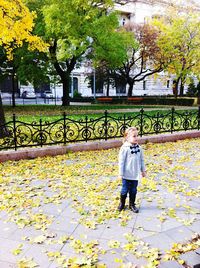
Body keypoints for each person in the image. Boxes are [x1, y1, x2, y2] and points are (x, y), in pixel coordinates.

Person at [118, 127, 146, 213]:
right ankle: (122, 203)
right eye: (134, 136)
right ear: (127, 137)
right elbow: (121, 162)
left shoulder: (139, 148)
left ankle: (132, 204)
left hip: (135, 175)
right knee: (124, 190)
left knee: (133, 190)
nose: (136, 138)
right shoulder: (124, 148)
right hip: (126, 175)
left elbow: (142, 160)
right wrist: (120, 174)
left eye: (137, 136)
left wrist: (143, 170)